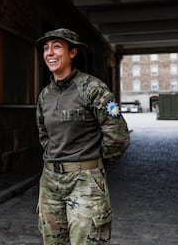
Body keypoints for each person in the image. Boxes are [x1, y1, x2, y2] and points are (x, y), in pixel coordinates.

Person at [35, 28, 130, 245]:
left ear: (72, 52)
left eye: (57, 46)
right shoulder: (45, 95)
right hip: (50, 181)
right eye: (46, 48)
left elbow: (117, 136)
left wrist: (94, 164)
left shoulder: (93, 89)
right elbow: (44, 134)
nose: (49, 52)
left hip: (85, 182)